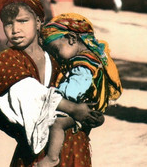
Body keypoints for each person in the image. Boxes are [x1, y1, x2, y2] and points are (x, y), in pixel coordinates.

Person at [0, 0, 104, 167]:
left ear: (38, 22)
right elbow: (26, 92)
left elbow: (87, 85)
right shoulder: (9, 58)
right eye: (8, 23)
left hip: (74, 145)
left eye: (22, 21)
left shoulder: (57, 56)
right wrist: (73, 108)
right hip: (34, 153)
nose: (15, 30)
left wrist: (91, 114)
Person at [36, 13, 123, 166]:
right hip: (91, 108)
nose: (57, 57)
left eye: (56, 50)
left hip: (81, 106)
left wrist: (58, 93)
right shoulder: (90, 58)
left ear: (72, 39)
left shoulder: (83, 62)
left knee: (57, 124)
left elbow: (77, 86)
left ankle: (52, 157)